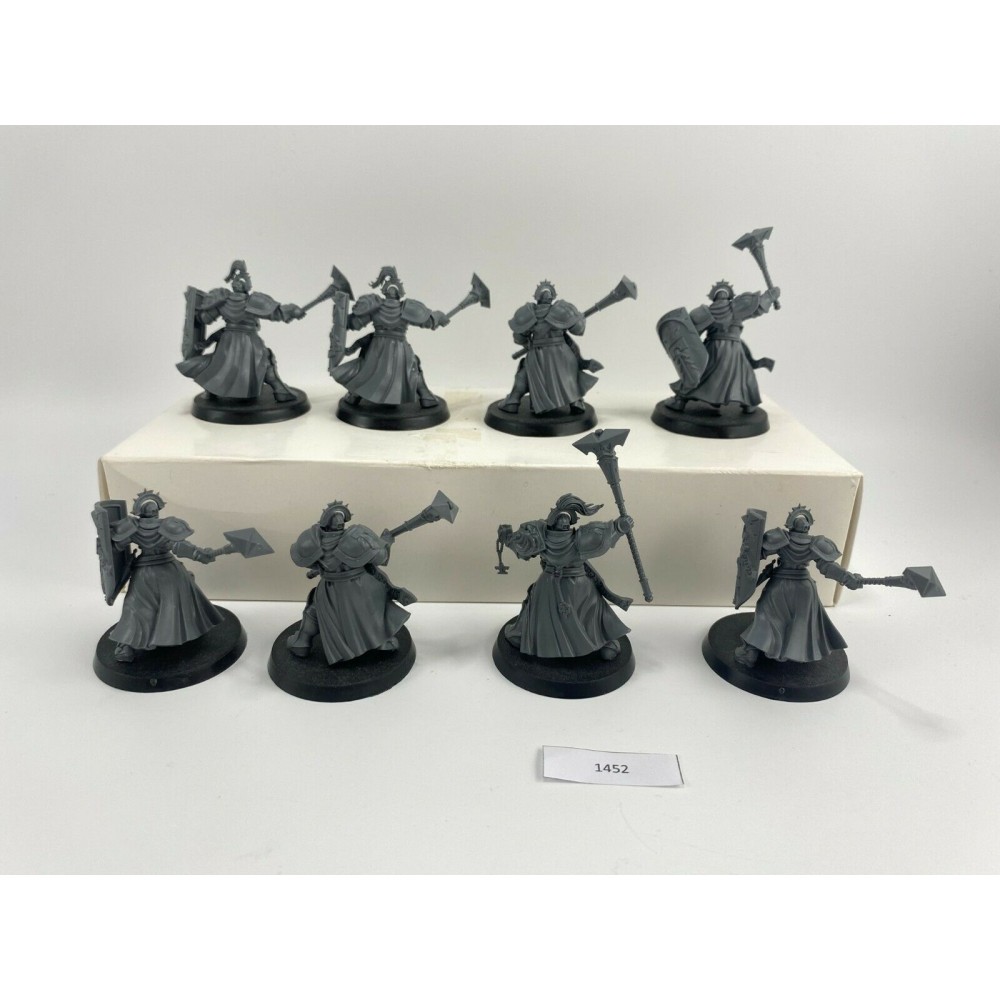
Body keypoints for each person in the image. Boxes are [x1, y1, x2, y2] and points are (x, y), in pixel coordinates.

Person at [497, 493, 633, 660]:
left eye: (567, 518)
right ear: (553, 519)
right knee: (537, 612)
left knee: (591, 613)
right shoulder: (541, 535)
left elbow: (603, 535)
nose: (564, 522)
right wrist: (509, 537)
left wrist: (619, 527)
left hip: (580, 586)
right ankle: (525, 635)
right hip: (548, 586)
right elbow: (524, 543)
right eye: (560, 518)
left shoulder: (580, 538)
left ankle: (603, 642)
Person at [286, 501, 414, 664]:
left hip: (330, 587)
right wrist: (385, 541)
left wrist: (326, 567)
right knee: (373, 610)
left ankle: (302, 642)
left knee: (315, 611)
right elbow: (380, 558)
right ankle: (382, 642)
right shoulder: (358, 536)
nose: (339, 521)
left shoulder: (312, 538)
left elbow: (308, 562)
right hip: (359, 586)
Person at [736, 505, 863, 667]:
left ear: (790, 524)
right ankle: (791, 653)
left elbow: (757, 553)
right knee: (800, 623)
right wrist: (848, 578)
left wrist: (749, 543)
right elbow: (827, 567)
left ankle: (750, 653)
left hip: (780, 585)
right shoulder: (817, 543)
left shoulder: (780, 538)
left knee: (766, 616)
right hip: (804, 588)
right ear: (808, 526)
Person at [106, 491, 222, 662]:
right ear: (158, 510)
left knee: (134, 607)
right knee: (174, 604)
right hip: (169, 572)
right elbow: (180, 546)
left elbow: (116, 545)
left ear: (139, 511)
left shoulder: (131, 526)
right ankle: (184, 632)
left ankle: (125, 646)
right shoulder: (168, 526)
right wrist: (201, 554)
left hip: (144, 573)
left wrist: (107, 547)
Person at [177, 260, 306, 401]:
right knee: (262, 363)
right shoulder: (252, 301)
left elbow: (204, 318)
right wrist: (293, 311)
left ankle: (211, 390)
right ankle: (280, 390)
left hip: (228, 342)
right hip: (247, 343)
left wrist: (292, 311)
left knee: (220, 366)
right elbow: (278, 313)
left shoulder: (223, 300)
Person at [330, 266, 449, 408]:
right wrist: (439, 317)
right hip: (398, 350)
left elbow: (353, 323)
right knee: (412, 368)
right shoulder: (407, 308)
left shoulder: (374, 305)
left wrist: (341, 315)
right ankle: (426, 397)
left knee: (366, 370)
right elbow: (428, 322)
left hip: (377, 348)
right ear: (400, 289)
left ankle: (353, 396)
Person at [665, 280, 779, 413]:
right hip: (727, 349)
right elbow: (690, 332)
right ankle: (748, 404)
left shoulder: (710, 311)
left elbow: (757, 308)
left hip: (721, 349)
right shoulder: (733, 308)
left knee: (708, 375)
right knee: (740, 376)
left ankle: (680, 400)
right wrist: (771, 296)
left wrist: (770, 296)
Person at [499, 281, 599, 415]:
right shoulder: (563, 309)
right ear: (553, 296)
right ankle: (575, 402)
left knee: (523, 375)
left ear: (536, 297)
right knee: (569, 376)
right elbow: (578, 329)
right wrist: (578, 318)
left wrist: (529, 343)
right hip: (562, 353)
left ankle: (513, 401)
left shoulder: (528, 312)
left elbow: (518, 337)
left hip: (538, 354)